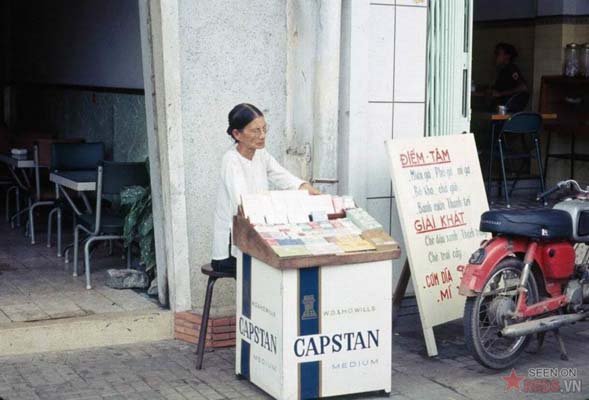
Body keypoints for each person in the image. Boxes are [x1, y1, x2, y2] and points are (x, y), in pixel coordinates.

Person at [211, 103, 320, 273]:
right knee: (270, 268)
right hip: (230, 247)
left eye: (264, 129)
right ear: (237, 134)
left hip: (254, 235)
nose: (262, 136)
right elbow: (242, 202)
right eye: (256, 130)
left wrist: (304, 186)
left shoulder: (261, 154)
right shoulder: (231, 160)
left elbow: (280, 175)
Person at [491, 42, 529, 112]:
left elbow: (523, 87)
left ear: (507, 56)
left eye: (498, 54)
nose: (495, 57)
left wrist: (501, 94)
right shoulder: (503, 70)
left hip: (508, 109)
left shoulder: (511, 69)